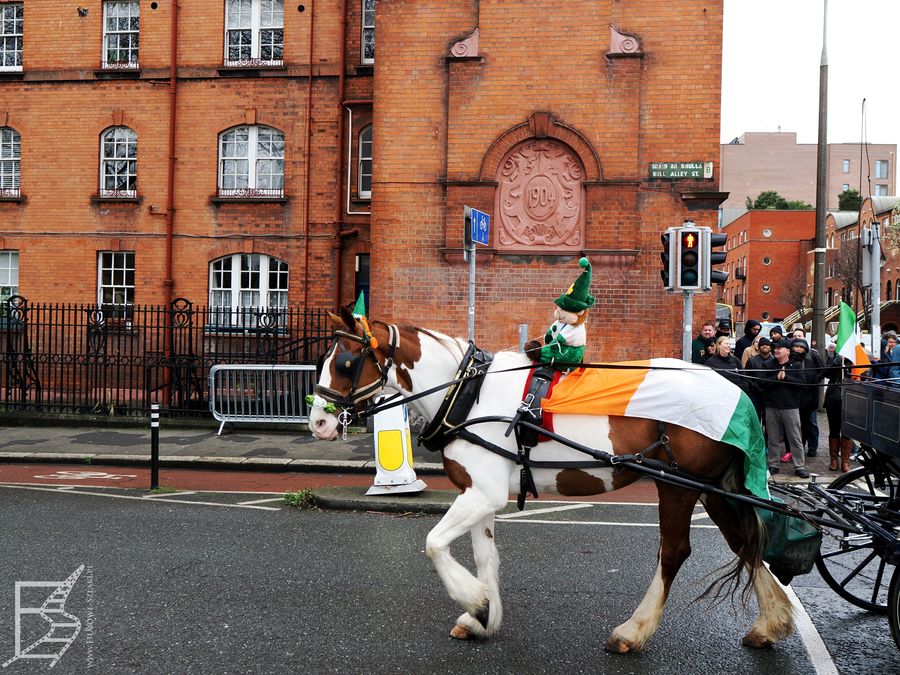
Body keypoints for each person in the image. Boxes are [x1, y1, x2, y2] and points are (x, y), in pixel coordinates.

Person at [525, 257, 595, 368]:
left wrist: (547, 347)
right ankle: (537, 352)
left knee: (548, 355)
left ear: (580, 313)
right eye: (560, 309)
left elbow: (560, 340)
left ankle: (537, 355)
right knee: (548, 351)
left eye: (565, 311)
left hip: (571, 352)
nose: (559, 313)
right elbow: (553, 330)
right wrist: (549, 334)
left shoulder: (576, 327)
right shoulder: (564, 321)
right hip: (560, 346)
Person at [760, 339, 808, 478]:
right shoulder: (768, 364)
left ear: (787, 351)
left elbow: (802, 384)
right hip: (771, 406)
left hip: (790, 407)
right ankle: (773, 465)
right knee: (772, 438)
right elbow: (762, 382)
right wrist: (776, 378)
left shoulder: (796, 366)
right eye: (775, 348)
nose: (776, 350)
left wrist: (786, 378)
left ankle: (800, 466)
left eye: (779, 348)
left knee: (795, 438)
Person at [790, 338, 823, 457]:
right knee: (795, 426)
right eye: (796, 347)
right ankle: (797, 448)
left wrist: (815, 401)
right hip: (793, 399)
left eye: (801, 347)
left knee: (810, 424)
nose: (798, 349)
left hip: (808, 400)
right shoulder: (789, 361)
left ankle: (812, 447)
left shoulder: (809, 362)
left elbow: (815, 382)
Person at [823, 344, 854, 472]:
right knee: (834, 430)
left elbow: (864, 375)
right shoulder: (834, 359)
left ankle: (845, 461)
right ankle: (834, 459)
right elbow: (826, 374)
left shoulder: (856, 360)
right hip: (834, 398)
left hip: (851, 400)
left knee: (847, 431)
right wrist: (836, 362)